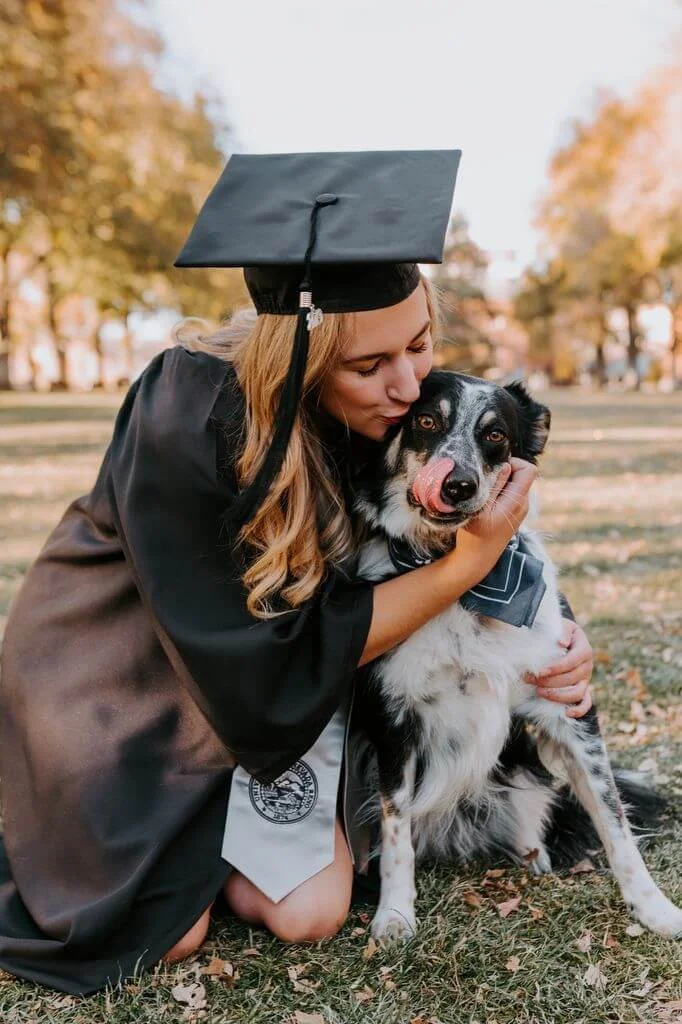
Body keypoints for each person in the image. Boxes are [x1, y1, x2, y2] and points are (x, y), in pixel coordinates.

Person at [0, 151, 594, 994]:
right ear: (302, 360)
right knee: (153, 933)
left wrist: (557, 638)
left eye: (420, 342)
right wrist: (471, 563)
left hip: (275, 686)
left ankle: (209, 838)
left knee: (310, 912)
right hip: (126, 679)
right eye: (367, 365)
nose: (406, 384)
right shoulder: (189, 409)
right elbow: (263, 656)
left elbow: (446, 549)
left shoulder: (386, 412)